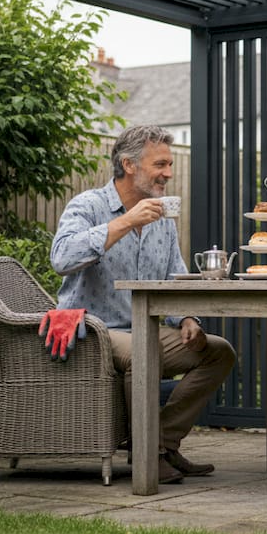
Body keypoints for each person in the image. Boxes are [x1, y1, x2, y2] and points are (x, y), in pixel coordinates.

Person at [51, 124, 236, 485]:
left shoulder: (161, 218)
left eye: (169, 164)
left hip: (143, 330)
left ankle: (161, 443)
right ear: (129, 164)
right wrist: (123, 222)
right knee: (144, 348)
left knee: (219, 352)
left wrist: (186, 317)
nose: (169, 173)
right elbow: (61, 258)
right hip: (94, 329)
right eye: (160, 164)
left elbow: (174, 276)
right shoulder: (88, 205)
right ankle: (147, 457)